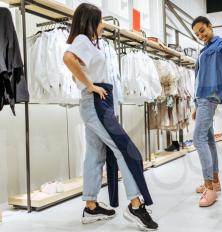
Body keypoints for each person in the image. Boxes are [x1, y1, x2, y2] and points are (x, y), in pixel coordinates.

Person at [63, 3, 158, 230]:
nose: (104, 24)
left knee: (95, 154)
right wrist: (91, 86)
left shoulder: (89, 42)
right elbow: (67, 58)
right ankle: (135, 205)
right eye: (101, 20)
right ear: (92, 22)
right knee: (125, 150)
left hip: (96, 103)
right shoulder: (84, 41)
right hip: (96, 103)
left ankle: (91, 206)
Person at [191, 16, 222, 207]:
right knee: (209, 139)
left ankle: (209, 188)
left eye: (202, 31)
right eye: (197, 34)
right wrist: (196, 106)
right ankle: (215, 182)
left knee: (198, 139)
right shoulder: (203, 49)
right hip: (201, 98)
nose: (201, 36)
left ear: (210, 26)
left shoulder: (219, 42)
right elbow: (198, 79)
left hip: (209, 96)